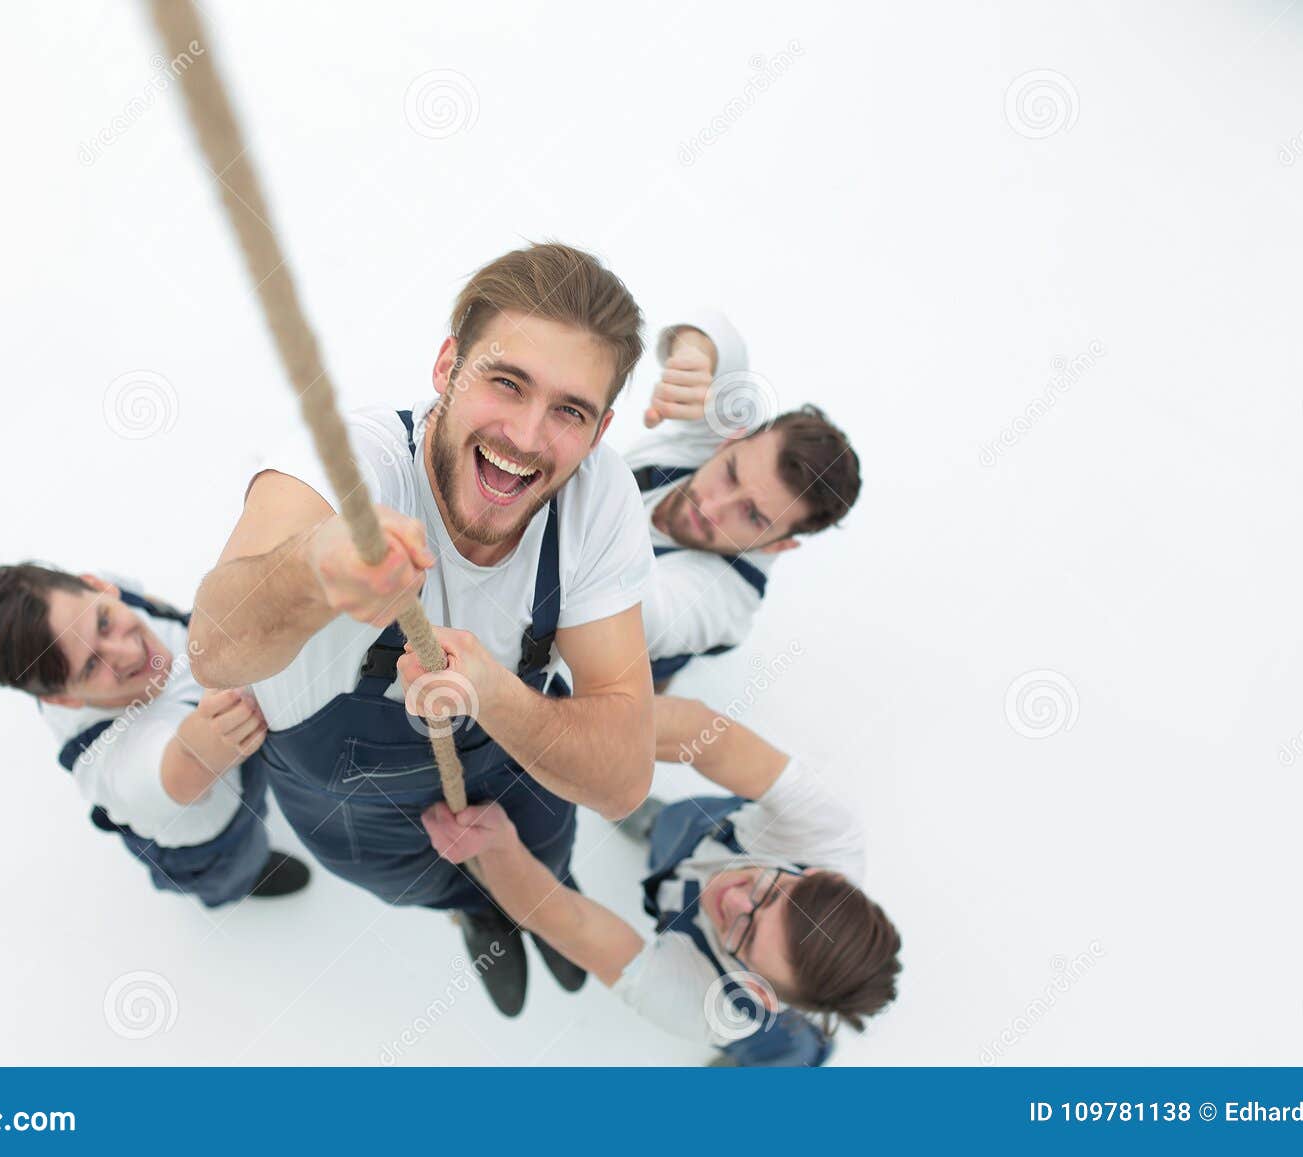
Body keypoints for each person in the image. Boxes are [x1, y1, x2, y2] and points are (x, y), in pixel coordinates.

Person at [189, 242, 657, 1015]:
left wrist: (493, 696)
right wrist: (314, 571)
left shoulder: (598, 499)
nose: (528, 436)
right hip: (352, 798)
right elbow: (213, 650)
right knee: (439, 884)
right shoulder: (345, 468)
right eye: (506, 382)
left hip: (515, 755)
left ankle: (542, 908)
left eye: (569, 411)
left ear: (601, 430)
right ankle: (479, 913)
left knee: (541, 859)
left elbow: (619, 780)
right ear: (447, 367)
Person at [421, 694, 901, 1065]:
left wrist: (498, 846)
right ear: (813, 873)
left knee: (774, 1049)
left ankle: (792, 1060)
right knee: (673, 826)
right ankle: (654, 826)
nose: (733, 898)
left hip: (758, 1027)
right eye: (769, 892)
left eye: (745, 933)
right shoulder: (830, 835)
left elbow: (570, 922)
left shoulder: (711, 1008)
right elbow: (707, 734)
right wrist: (573, 732)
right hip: (705, 831)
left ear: (758, 988)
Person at [0, 564, 310, 907]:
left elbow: (152, 604)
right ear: (63, 700)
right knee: (236, 868)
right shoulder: (110, 763)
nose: (129, 652)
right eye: (91, 665)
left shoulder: (109, 594)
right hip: (214, 840)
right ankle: (246, 879)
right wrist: (223, 719)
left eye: (104, 622)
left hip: (242, 763)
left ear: (98, 585)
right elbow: (187, 761)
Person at [626, 311, 861, 688]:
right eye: (730, 473)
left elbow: (628, 613)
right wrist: (694, 361)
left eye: (752, 516)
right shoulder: (710, 439)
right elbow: (720, 337)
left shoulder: (726, 599)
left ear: (778, 545)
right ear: (731, 440)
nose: (712, 506)